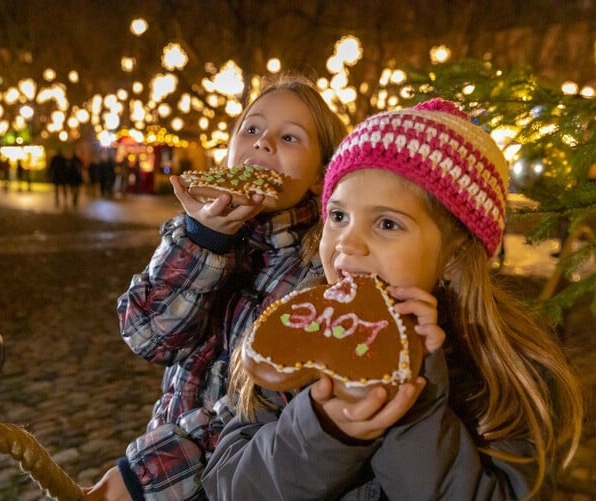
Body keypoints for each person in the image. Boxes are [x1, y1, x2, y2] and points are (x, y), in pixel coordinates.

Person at [202, 99, 584, 500]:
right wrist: (324, 432)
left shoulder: (510, 370)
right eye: (338, 216)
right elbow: (231, 487)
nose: (348, 241)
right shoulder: (299, 334)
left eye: (387, 223)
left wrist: (412, 407)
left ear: (454, 254)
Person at [82, 74, 348, 500]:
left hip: (233, 479)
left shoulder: (323, 267)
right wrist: (202, 241)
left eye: (291, 137)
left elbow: (268, 407)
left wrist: (146, 473)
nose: (264, 143)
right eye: (253, 128)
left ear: (321, 174)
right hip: (167, 460)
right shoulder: (195, 233)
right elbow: (148, 337)